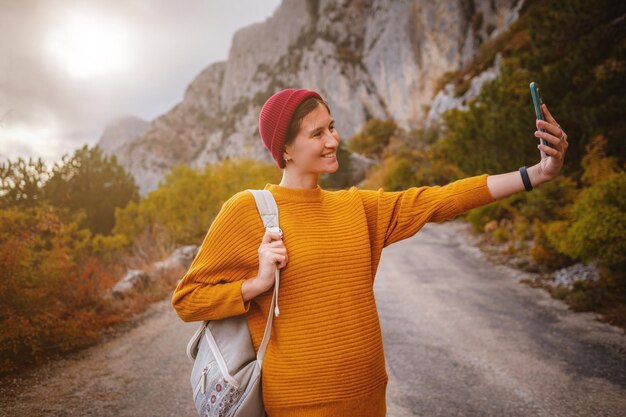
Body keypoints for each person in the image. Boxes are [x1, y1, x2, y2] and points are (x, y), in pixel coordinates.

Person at [171, 88, 568, 416]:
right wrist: (256, 283)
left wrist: (536, 174)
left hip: (368, 396)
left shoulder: (356, 207)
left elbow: (439, 199)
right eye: (316, 134)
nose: (332, 140)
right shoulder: (248, 210)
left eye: (332, 127)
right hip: (298, 403)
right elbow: (188, 300)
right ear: (286, 149)